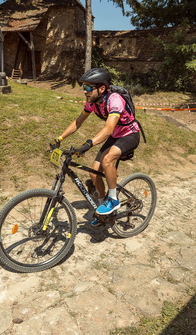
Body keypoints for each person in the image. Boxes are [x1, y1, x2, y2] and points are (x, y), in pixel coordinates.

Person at [49, 68, 141, 223]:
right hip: (115, 136)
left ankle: (113, 199)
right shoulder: (92, 102)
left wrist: (88, 144)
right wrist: (59, 138)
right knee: (94, 173)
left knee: (107, 160)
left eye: (88, 87)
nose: (84, 91)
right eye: (83, 87)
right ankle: (103, 209)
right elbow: (78, 122)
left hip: (129, 135)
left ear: (102, 88)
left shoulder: (115, 100)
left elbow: (109, 128)